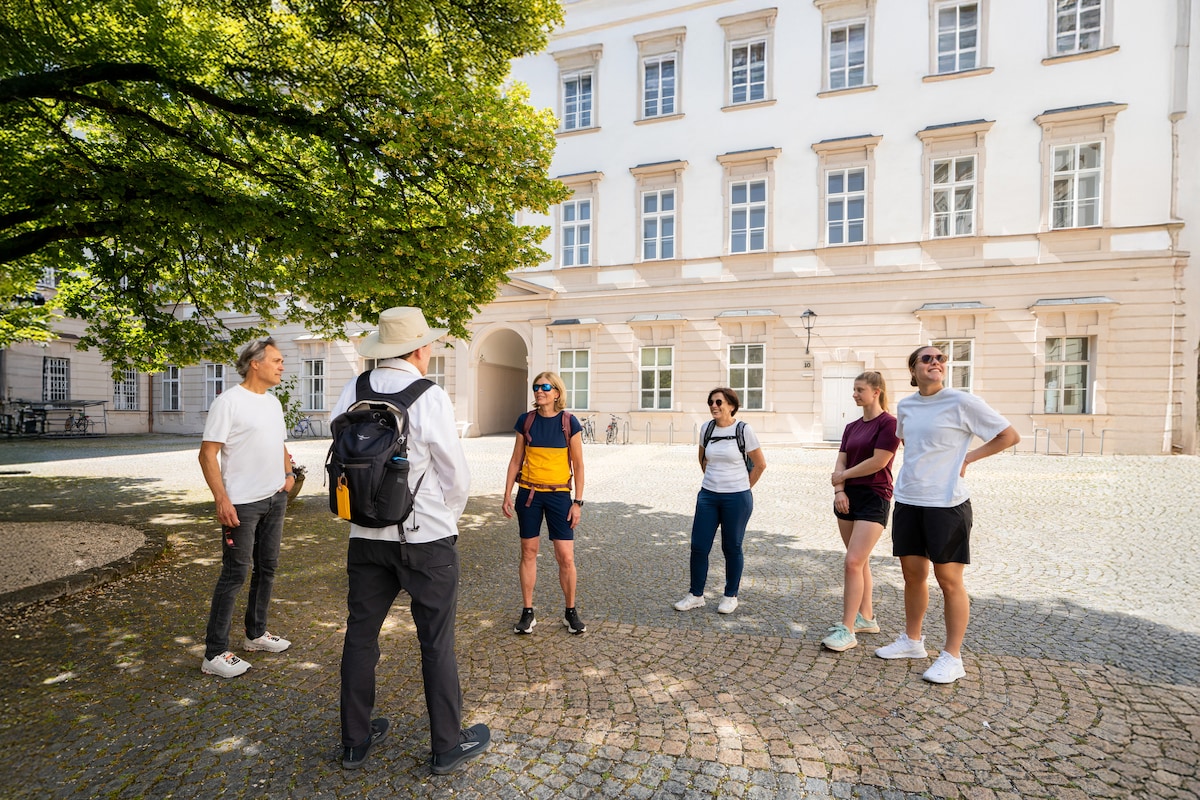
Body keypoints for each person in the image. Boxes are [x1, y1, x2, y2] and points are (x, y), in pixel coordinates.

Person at [330, 307, 490, 773]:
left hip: (364, 536)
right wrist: (445, 518)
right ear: (419, 349)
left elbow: (338, 452)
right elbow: (454, 474)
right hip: (424, 539)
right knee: (436, 642)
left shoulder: (353, 390)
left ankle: (355, 740)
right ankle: (445, 745)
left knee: (360, 637)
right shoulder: (428, 396)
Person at [875, 345, 1020, 684]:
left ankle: (952, 656)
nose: (936, 362)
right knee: (912, 576)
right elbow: (911, 445)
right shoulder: (907, 405)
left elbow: (1009, 436)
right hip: (910, 500)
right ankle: (912, 642)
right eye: (927, 358)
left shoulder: (961, 401)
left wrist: (967, 458)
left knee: (950, 581)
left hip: (947, 504)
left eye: (940, 358)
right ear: (913, 370)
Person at [198, 338, 294, 678]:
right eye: (277, 360)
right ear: (255, 362)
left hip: (274, 497)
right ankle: (214, 652)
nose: (282, 366)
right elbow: (207, 454)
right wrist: (221, 499)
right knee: (235, 573)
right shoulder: (229, 402)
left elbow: (279, 441)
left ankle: (255, 634)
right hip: (241, 503)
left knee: (267, 568)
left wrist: (287, 474)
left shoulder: (273, 403)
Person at [502, 372, 587, 635]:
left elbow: (578, 465)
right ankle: (528, 612)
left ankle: (570, 612)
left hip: (560, 496)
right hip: (529, 494)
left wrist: (578, 502)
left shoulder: (568, 422)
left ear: (557, 393)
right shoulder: (525, 421)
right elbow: (516, 460)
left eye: (545, 387)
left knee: (566, 556)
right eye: (536, 387)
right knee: (528, 552)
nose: (540, 391)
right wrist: (506, 494)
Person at [822, 371, 900, 653]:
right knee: (861, 562)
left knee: (853, 562)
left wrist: (843, 476)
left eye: (859, 389)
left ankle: (848, 630)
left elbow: (878, 462)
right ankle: (866, 618)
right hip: (847, 497)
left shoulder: (889, 424)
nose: (854, 394)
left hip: (874, 497)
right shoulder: (851, 426)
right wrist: (839, 490)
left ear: (876, 392)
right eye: (854, 389)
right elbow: (840, 459)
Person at [674, 387, 766, 615]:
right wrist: (714, 481)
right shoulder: (706, 428)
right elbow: (702, 459)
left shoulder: (744, 430)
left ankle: (730, 596)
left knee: (732, 546)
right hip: (708, 495)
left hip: (737, 498)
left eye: (718, 402)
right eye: (711, 403)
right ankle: (696, 595)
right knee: (698, 546)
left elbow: (760, 464)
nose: (714, 406)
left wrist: (742, 487)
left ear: (731, 406)